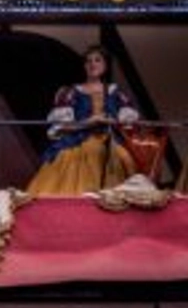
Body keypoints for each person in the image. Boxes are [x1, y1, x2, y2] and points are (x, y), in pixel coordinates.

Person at [25, 45, 140, 196]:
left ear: (105, 65)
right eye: (88, 61)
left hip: (109, 140)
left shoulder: (115, 92)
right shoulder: (71, 92)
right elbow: (62, 126)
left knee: (125, 158)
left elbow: (127, 122)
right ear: (84, 66)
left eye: (97, 60)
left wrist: (112, 121)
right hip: (78, 140)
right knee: (82, 154)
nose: (92, 64)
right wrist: (89, 122)